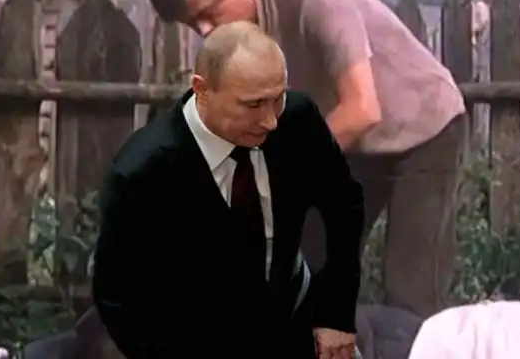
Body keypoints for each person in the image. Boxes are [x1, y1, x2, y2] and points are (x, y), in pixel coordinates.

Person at [148, 0, 468, 318]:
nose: (204, 31)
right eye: (192, 24)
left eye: (209, 14)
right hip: (353, 142)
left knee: (410, 289)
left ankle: (419, 339)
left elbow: (362, 110)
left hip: (423, 127)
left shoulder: (316, 1)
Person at [92, 23, 364, 358]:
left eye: (277, 98)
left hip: (293, 327)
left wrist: (336, 313)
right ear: (202, 90)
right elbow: (118, 297)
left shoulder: (298, 119)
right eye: (254, 104)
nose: (271, 120)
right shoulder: (142, 172)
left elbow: (345, 204)